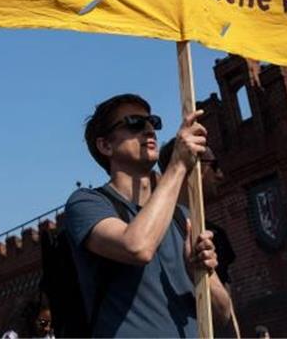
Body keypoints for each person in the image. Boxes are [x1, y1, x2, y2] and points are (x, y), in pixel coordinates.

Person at [63, 93, 233, 337]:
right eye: (135, 123)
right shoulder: (88, 203)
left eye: (153, 122)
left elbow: (223, 312)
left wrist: (198, 271)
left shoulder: (181, 217)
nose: (149, 130)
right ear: (105, 145)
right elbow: (137, 246)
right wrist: (177, 165)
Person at [158, 138, 237, 285]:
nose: (220, 175)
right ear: (189, 167)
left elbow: (227, 303)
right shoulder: (155, 231)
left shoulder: (215, 234)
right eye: (214, 166)